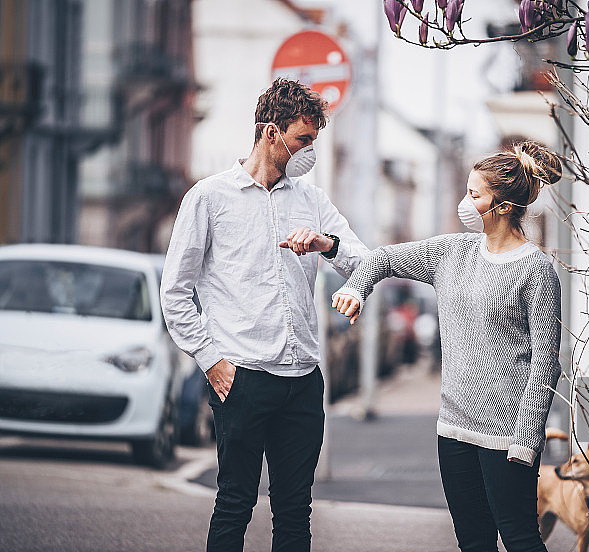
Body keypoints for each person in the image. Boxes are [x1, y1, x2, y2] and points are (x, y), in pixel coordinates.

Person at [160, 78, 368, 552]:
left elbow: (363, 259)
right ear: (271, 133)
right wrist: (211, 360)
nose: (309, 151)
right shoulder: (209, 198)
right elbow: (175, 291)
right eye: (303, 140)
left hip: (302, 380)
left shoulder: (312, 201)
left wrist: (324, 243)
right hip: (242, 378)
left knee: (295, 511)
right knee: (234, 502)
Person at [332, 141, 563, 552]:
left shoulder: (537, 270)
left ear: (504, 206)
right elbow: (382, 258)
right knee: (473, 543)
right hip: (453, 431)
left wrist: (526, 440)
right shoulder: (450, 252)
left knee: (521, 538)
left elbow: (545, 364)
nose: (465, 202)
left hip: (506, 437)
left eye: (475, 195)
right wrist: (356, 288)